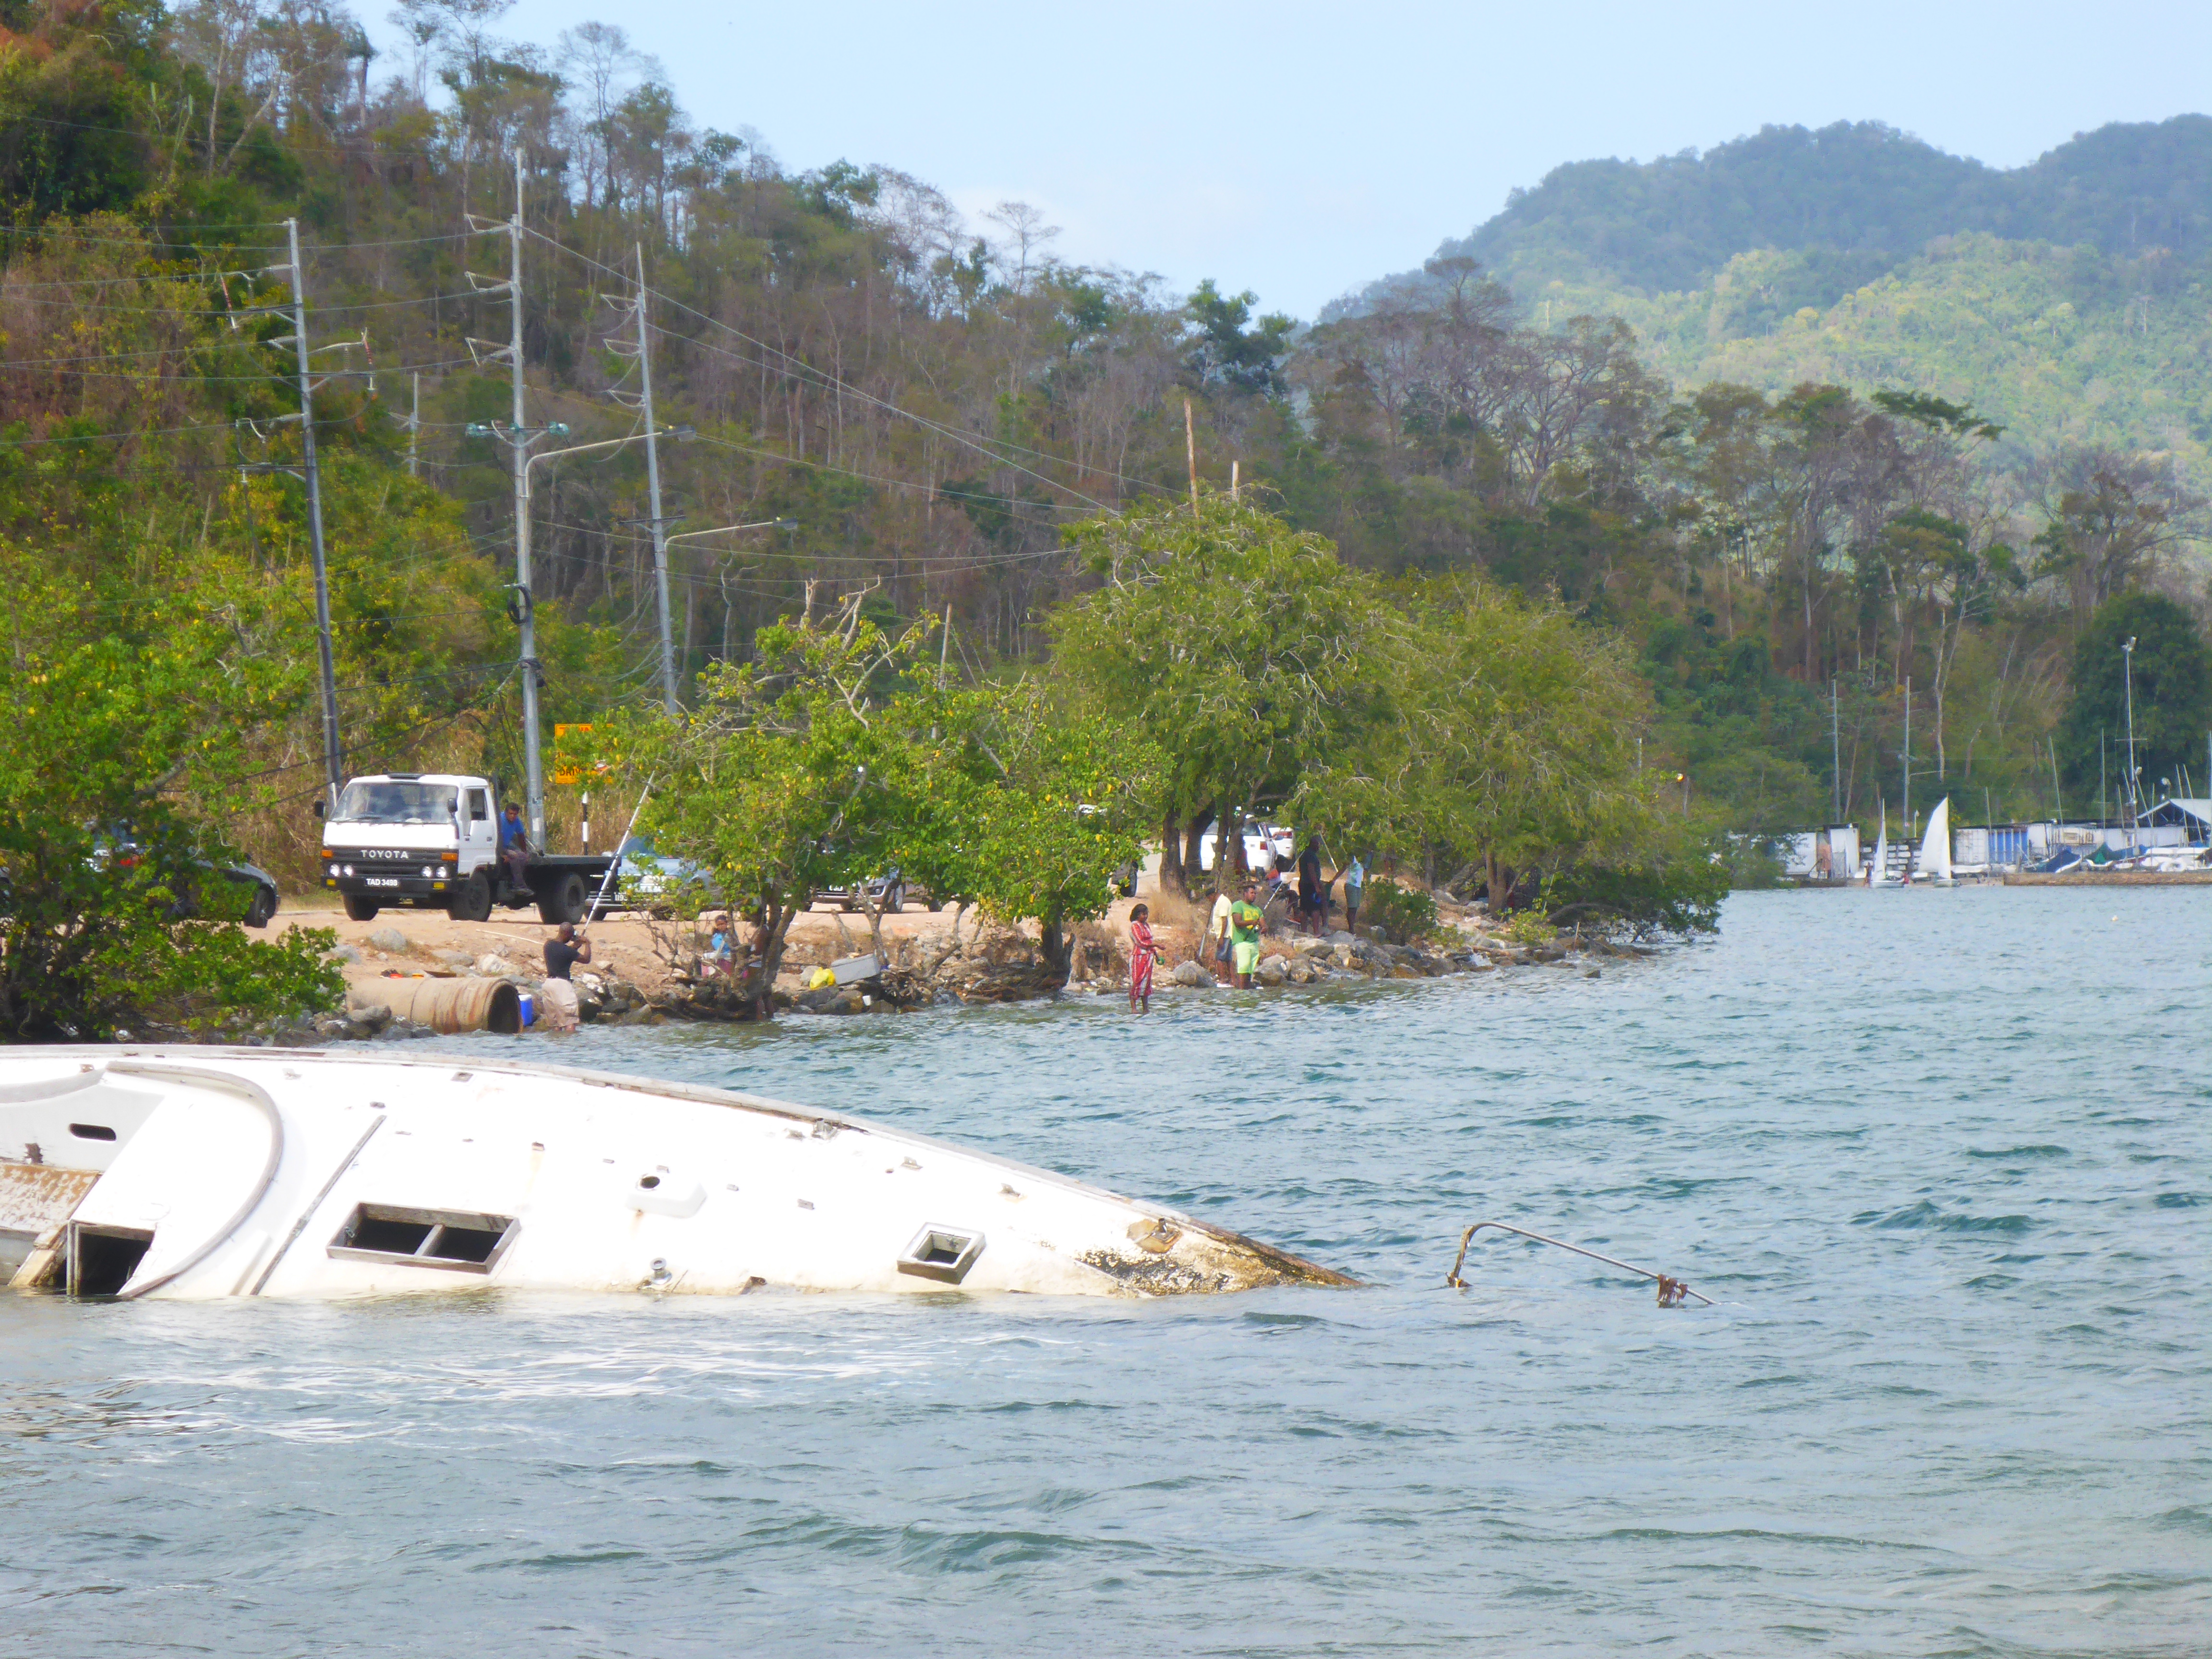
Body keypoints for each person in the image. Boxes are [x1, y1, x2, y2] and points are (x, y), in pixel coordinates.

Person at [1127, 902, 1163, 1014]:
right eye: (1143, 914)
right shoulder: (1135, 926)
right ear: (1137, 915)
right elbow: (1141, 942)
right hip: (1139, 958)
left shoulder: (1146, 925)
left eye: (1147, 914)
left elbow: (1150, 942)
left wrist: (1156, 956)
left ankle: (1146, 1008)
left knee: (1146, 984)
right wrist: (1157, 945)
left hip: (1149, 958)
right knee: (1137, 982)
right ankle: (1134, 1008)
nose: (1145, 916)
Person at [1229, 879, 1265, 988]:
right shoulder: (1238, 906)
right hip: (1242, 941)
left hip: (1254, 942)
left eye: (1255, 894)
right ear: (1245, 894)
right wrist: (1251, 922)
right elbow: (1238, 922)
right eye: (1252, 893)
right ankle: (1241, 991)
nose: (1254, 896)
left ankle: (1247, 990)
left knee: (1250, 969)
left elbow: (1263, 921)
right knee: (1243, 967)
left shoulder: (1257, 909)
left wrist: (1264, 928)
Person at [500, 803, 531, 892]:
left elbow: (521, 835)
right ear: (506, 813)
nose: (513, 816)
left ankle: (514, 880)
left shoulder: (517, 820)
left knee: (523, 857)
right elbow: (497, 838)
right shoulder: (500, 820)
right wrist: (501, 854)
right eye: (511, 814)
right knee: (514, 856)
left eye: (515, 814)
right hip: (498, 846)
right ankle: (519, 885)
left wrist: (525, 852)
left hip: (507, 845)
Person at [1206, 886, 1235, 983]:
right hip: (1224, 935)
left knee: (1220, 958)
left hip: (1225, 935)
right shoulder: (1220, 902)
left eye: (1209, 899)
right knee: (1227, 959)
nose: (1210, 901)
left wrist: (1221, 937)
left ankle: (1223, 979)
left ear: (1212, 896)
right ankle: (1232, 980)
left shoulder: (1223, 902)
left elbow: (1224, 920)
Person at [1297, 839, 1324, 933]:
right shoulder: (1310, 855)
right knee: (1315, 908)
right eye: (1318, 845)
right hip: (1310, 884)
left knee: (1304, 907)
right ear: (1314, 844)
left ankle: (1304, 930)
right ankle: (1316, 931)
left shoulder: (1305, 853)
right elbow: (1311, 870)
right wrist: (1317, 886)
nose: (1319, 847)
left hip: (1303, 883)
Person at [1344, 853, 1366, 935]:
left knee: (1355, 907)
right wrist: (1334, 880)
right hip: (1351, 884)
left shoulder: (1363, 861)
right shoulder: (1352, 858)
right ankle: (1351, 929)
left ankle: (1352, 928)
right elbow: (1344, 868)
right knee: (1352, 907)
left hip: (1358, 886)